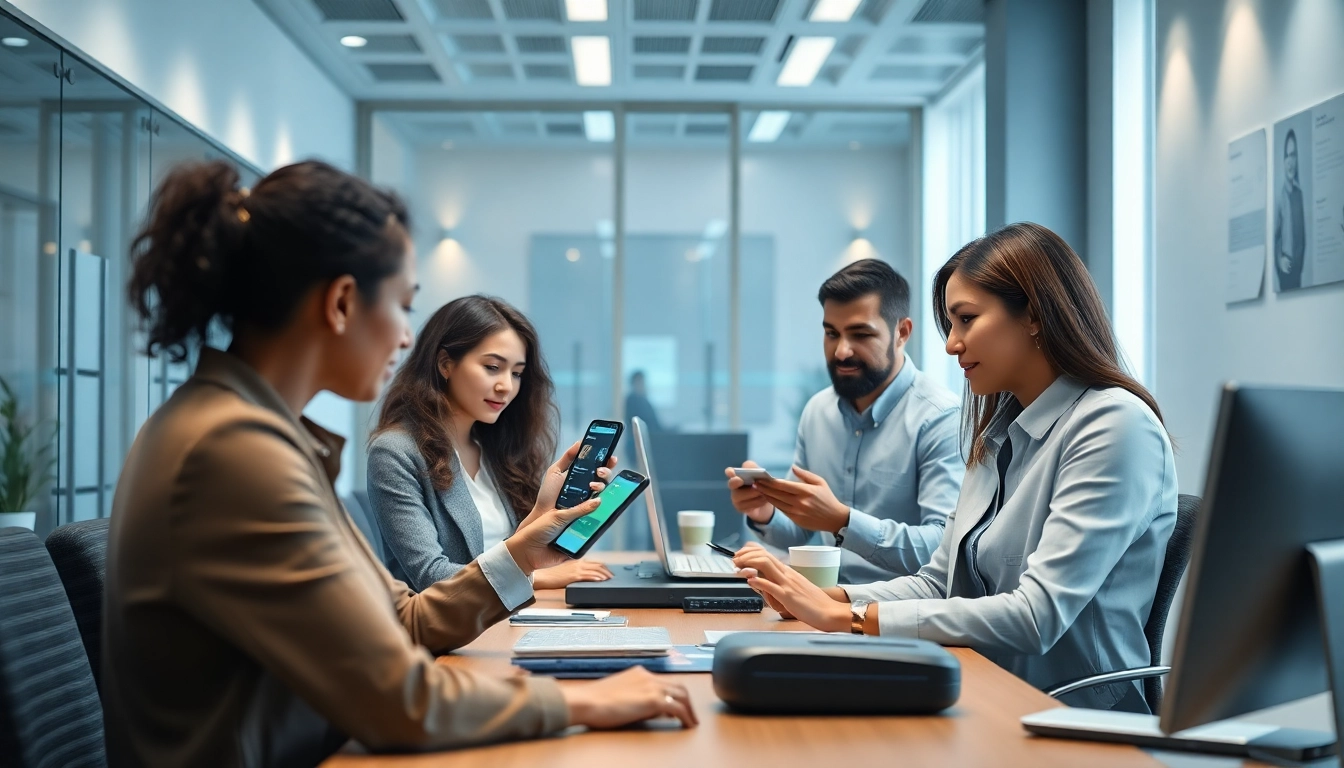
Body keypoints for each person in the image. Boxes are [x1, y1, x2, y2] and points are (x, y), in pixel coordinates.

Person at [105, 160, 695, 768]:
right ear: (341, 303)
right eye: (403, 305)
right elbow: (398, 700)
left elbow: (405, 620)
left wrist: (524, 553)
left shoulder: (247, 431)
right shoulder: (233, 453)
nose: (407, 337)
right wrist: (580, 702)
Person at [733, 223, 1177, 714]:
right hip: (984, 693)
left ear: (1033, 315)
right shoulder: (998, 432)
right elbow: (937, 583)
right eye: (950, 324)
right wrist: (826, 596)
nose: (951, 344)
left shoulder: (1113, 425)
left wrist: (852, 618)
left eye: (966, 319)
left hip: (1072, 716)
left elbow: (1036, 617)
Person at [725, 259, 964, 582]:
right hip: (822, 606)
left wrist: (842, 521)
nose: (841, 351)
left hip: (895, 616)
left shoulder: (941, 418)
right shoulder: (817, 412)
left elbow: (943, 550)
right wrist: (763, 510)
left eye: (860, 334)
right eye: (831, 333)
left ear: (902, 332)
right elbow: (799, 531)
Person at [368, 295, 611, 591]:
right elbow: (431, 577)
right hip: (451, 633)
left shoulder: (493, 448)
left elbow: (510, 550)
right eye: (492, 367)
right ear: (446, 363)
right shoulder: (395, 452)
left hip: (506, 617)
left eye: (517, 373)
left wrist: (551, 509)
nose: (506, 386)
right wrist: (536, 578)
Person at [1275, 128, 1307, 291]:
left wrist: (1299, 266)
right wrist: (1279, 260)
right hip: (1285, 276)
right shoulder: (1279, 198)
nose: (1290, 161)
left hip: (1297, 275)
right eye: (1287, 155)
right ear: (1283, 160)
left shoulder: (1299, 195)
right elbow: (1274, 237)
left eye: (1293, 155)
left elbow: (1302, 237)